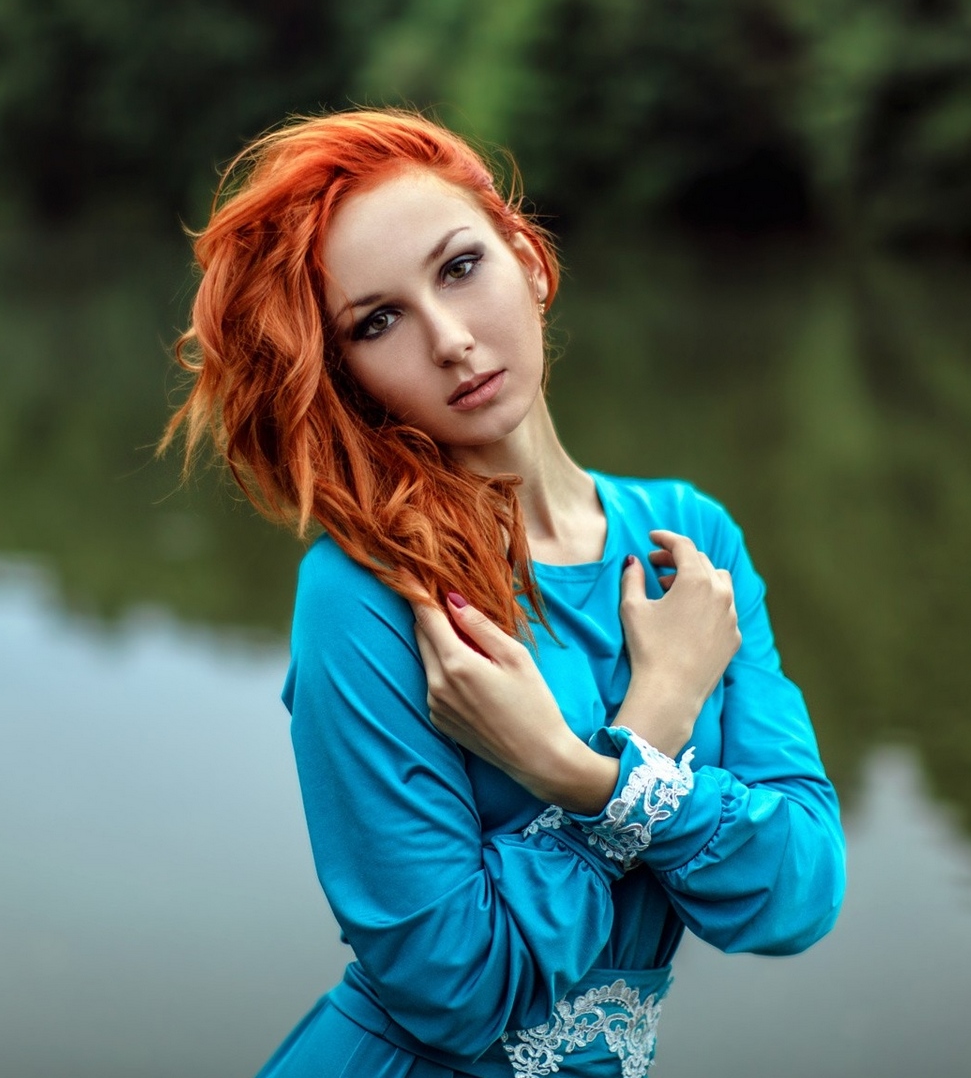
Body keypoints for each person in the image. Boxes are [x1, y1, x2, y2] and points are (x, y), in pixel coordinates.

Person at [162, 109, 844, 1078]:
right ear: (349, 377)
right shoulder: (369, 595)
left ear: (527, 260)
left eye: (459, 267)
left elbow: (800, 895)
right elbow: (457, 990)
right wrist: (651, 723)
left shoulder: (689, 541)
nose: (449, 340)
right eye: (378, 322)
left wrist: (582, 775)